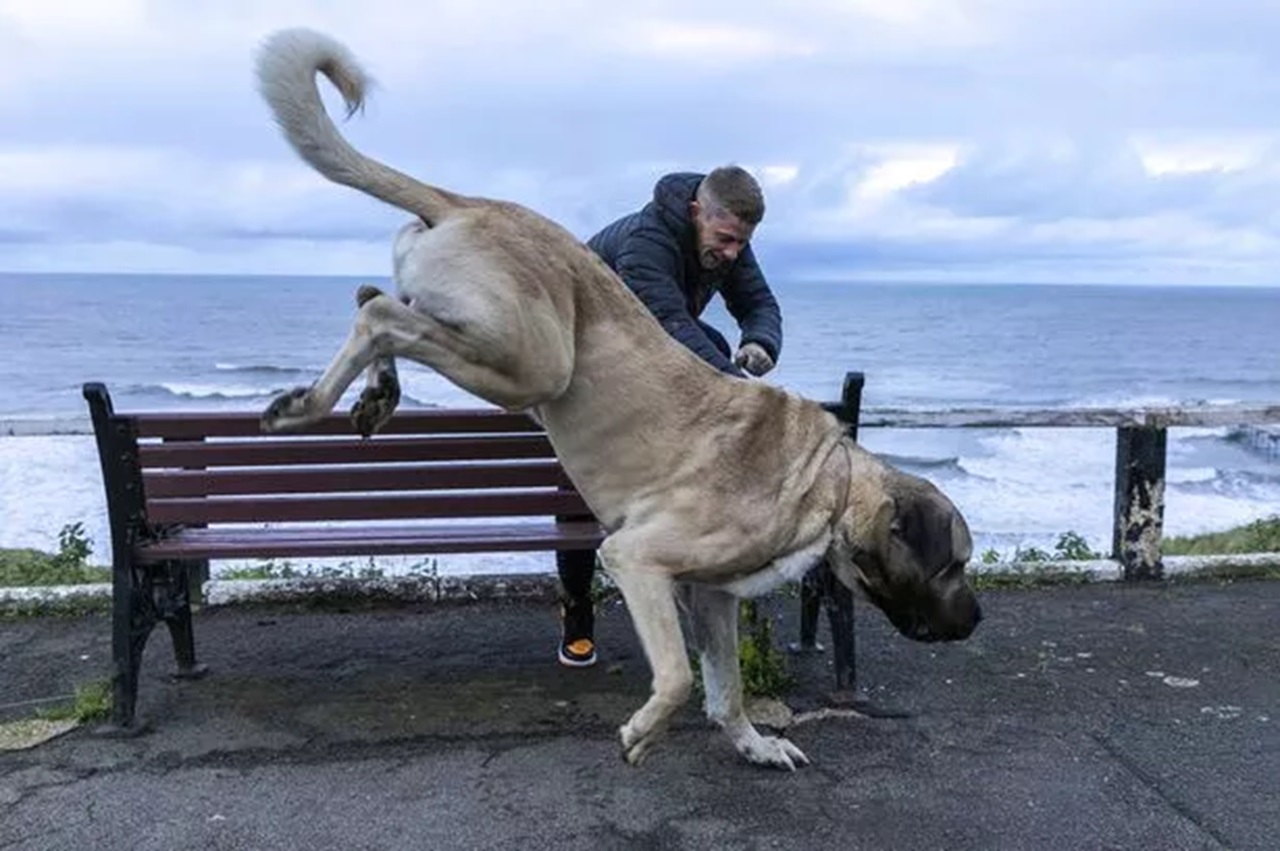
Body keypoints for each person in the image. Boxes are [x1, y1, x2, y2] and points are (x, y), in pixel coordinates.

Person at [554, 165, 784, 667]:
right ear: (696, 212)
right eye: (725, 240)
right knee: (579, 490)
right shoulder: (645, 243)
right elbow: (670, 326)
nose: (732, 253)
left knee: (719, 348)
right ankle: (576, 608)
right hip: (583, 358)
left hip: (643, 360)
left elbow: (758, 302)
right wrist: (738, 392)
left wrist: (760, 341)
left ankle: (696, 582)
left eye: (741, 244)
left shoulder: (727, 239)